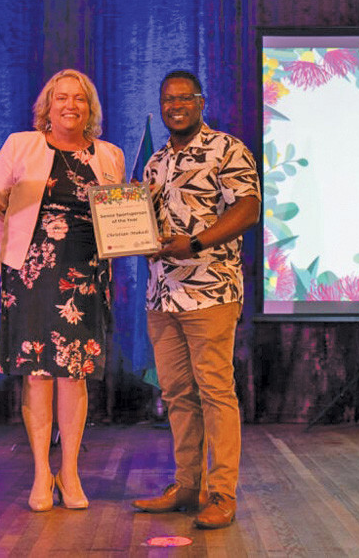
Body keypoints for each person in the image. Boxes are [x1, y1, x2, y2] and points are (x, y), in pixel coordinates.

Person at [0, 69, 125, 512]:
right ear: (48, 105)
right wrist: (2, 240)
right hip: (30, 272)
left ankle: (71, 472)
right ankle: (42, 473)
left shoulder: (110, 155)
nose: (70, 106)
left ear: (90, 109)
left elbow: (122, 214)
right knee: (39, 374)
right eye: (62, 97)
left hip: (86, 274)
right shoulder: (20, 144)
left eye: (80, 99)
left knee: (74, 373)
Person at [132, 69, 261, 529]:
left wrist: (199, 242)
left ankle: (222, 492)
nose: (175, 105)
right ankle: (188, 485)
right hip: (163, 294)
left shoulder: (226, 149)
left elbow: (248, 207)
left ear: (201, 102)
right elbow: (140, 222)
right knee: (177, 394)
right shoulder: (155, 163)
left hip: (210, 289)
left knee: (215, 391)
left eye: (184, 97)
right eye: (168, 99)